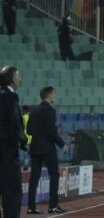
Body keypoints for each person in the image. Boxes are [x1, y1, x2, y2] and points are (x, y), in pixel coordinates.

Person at [25, 86, 68, 214]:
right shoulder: (50, 110)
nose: (55, 95)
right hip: (47, 149)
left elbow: (29, 131)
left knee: (34, 178)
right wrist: (62, 144)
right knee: (54, 175)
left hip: (35, 148)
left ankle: (31, 207)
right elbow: (50, 131)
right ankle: (53, 205)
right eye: (54, 93)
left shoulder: (33, 111)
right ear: (49, 95)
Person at [0, 66, 26, 218]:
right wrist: (21, 141)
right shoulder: (10, 97)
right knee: (13, 194)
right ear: (13, 79)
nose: (20, 79)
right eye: (18, 76)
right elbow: (14, 123)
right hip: (7, 153)